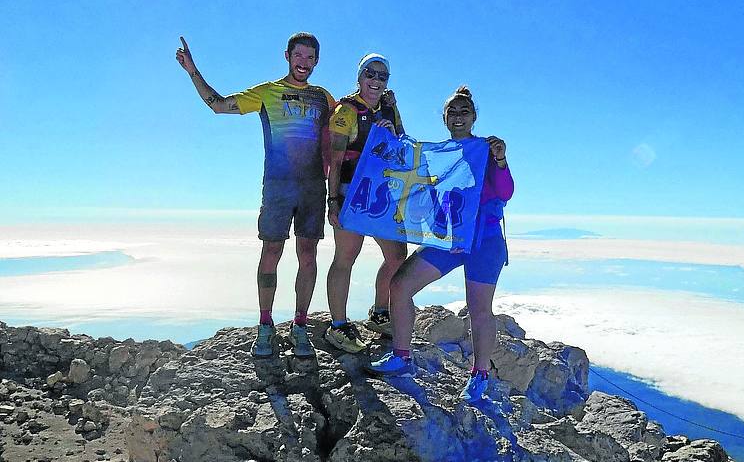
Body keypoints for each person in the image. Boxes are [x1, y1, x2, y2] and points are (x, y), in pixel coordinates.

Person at [175, 33, 335, 358]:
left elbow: (345, 132)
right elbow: (218, 106)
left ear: (317, 61)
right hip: (278, 188)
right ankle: (265, 326)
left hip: (313, 188)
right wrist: (193, 71)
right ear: (287, 56)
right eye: (298, 56)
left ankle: (300, 325)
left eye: (310, 58)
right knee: (271, 252)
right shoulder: (267, 93)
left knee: (308, 255)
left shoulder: (324, 98)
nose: (303, 63)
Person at [367, 86, 514, 402]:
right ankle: (401, 357)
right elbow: (412, 162)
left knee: (478, 310)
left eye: (464, 112)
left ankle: (480, 375)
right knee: (401, 285)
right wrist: (392, 133)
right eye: (453, 112)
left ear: (474, 117)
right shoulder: (442, 153)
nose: (458, 117)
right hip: (448, 239)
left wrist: (501, 161)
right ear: (445, 119)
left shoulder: (485, 150)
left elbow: (504, 192)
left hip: (484, 241)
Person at [324, 54, 408, 353]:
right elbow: (335, 158)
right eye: (370, 74)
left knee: (397, 255)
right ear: (359, 77)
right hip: (350, 194)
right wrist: (333, 201)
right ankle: (338, 326)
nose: (375, 80)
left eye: (382, 76)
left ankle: (379, 312)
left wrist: (390, 129)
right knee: (346, 257)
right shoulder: (347, 110)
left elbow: (401, 147)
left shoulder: (388, 108)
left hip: (381, 195)